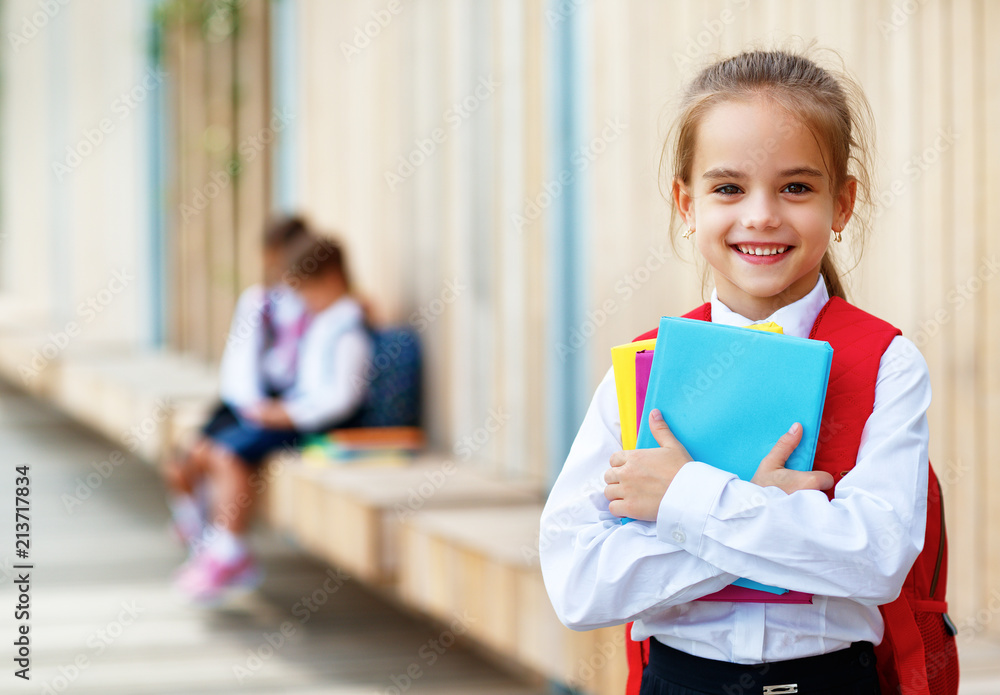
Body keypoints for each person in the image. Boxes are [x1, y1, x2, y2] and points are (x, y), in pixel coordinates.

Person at [540, 49, 932, 695]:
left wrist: (683, 497)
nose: (760, 215)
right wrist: (773, 511)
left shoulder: (887, 362)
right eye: (728, 188)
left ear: (842, 203)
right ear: (686, 203)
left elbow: (874, 558)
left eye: (796, 187)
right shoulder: (641, 370)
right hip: (680, 679)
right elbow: (579, 583)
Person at [171, 231, 374, 603]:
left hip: (320, 425)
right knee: (210, 450)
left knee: (229, 455)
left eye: (308, 293)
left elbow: (341, 400)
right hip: (296, 413)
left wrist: (288, 414)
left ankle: (230, 551)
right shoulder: (325, 320)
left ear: (330, 281)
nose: (304, 304)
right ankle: (218, 546)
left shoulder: (348, 331)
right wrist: (275, 409)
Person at [165, 215, 311, 553]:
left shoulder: (314, 307)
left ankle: (220, 545)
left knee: (217, 456)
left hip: (281, 407)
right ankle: (202, 532)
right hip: (248, 403)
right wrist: (254, 409)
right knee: (185, 459)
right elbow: (240, 369)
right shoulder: (261, 303)